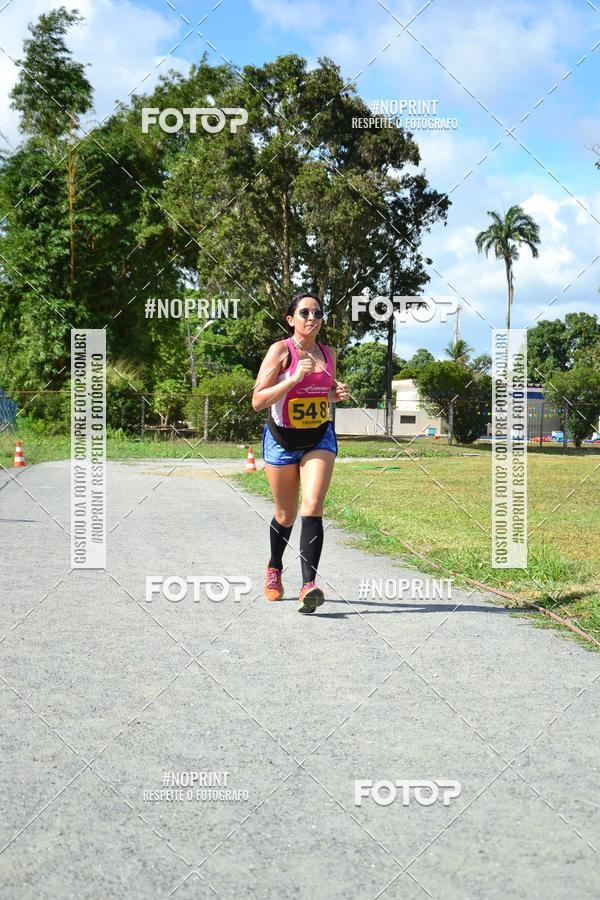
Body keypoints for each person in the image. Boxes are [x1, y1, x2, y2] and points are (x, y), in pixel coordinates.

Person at [251, 292, 349, 614]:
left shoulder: (329, 353)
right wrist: (293, 378)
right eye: (304, 312)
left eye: (317, 313)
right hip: (282, 439)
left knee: (313, 504)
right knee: (285, 514)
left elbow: (320, 394)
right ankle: (275, 566)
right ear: (291, 319)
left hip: (319, 437)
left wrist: (335, 395)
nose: (312, 318)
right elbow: (258, 401)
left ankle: (308, 585)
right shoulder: (281, 351)